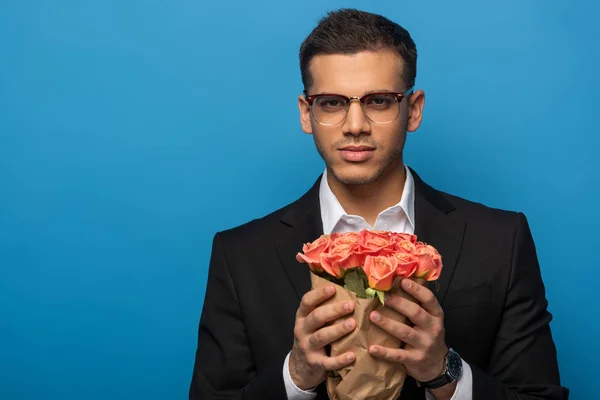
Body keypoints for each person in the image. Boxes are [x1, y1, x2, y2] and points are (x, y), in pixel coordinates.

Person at [189, 8, 569, 400]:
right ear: (307, 113)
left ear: (414, 109)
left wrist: (445, 372)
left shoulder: (500, 241)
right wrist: (295, 376)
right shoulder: (240, 255)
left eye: (379, 101)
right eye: (332, 102)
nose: (355, 125)